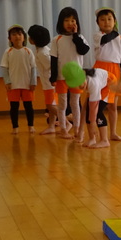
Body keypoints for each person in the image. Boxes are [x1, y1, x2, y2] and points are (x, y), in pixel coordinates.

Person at [49, 7, 90, 140]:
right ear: (61, 22)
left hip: (76, 77)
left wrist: (76, 36)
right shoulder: (57, 39)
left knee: (75, 104)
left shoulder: (80, 38)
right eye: (66, 20)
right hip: (61, 77)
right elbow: (53, 59)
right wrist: (53, 77)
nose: (70, 23)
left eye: (73, 20)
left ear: (76, 22)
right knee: (62, 105)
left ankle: (77, 128)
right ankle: (63, 129)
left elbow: (83, 50)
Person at [93, 6, 121, 142]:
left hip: (115, 71)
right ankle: (97, 133)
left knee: (113, 106)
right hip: (101, 71)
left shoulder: (120, 38)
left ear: (114, 21)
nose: (106, 22)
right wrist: (116, 31)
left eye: (109, 19)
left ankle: (113, 133)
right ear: (97, 23)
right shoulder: (98, 36)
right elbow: (106, 39)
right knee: (97, 103)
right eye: (102, 20)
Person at [61, 62, 110, 149]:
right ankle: (92, 139)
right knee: (89, 112)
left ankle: (104, 140)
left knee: (97, 112)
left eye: (80, 83)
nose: (80, 86)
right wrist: (80, 131)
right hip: (99, 85)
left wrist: (93, 123)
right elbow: (84, 109)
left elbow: (94, 108)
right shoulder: (86, 81)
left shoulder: (93, 83)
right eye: (77, 85)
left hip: (110, 84)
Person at [0, 24, 37, 134]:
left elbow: (33, 67)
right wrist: (7, 81)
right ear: (9, 38)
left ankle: (31, 126)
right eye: (14, 34)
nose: (17, 36)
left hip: (27, 84)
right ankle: (15, 127)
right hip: (13, 85)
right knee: (14, 107)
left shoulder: (28, 51)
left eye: (20, 34)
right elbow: (4, 68)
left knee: (28, 106)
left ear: (24, 37)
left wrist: (33, 82)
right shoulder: (8, 52)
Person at [28, 23, 59, 134]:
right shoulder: (41, 51)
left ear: (33, 40)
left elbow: (51, 66)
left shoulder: (42, 53)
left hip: (50, 84)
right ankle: (51, 126)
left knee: (50, 106)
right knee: (51, 105)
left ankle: (66, 121)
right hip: (48, 84)